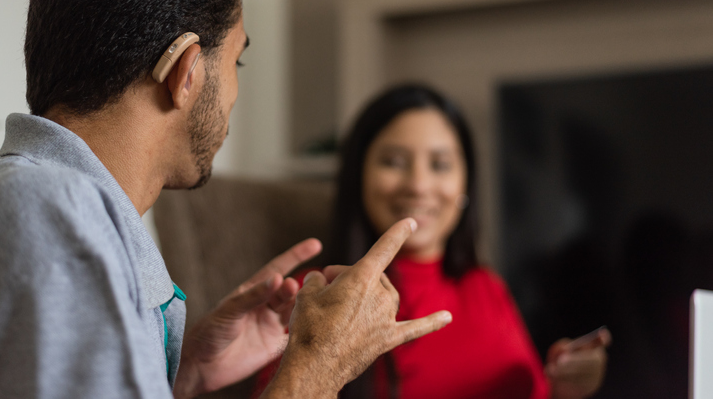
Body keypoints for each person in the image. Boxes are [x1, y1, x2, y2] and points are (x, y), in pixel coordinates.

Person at [0, 0, 452, 398]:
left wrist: (181, 372)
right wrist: (317, 367)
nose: (234, 93)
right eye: (237, 61)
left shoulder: (52, 208)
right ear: (184, 71)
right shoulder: (49, 210)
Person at [258, 84, 611, 399]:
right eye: (394, 161)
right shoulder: (314, 293)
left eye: (440, 165)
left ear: (464, 185)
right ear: (359, 176)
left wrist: (564, 389)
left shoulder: (487, 287)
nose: (419, 184)